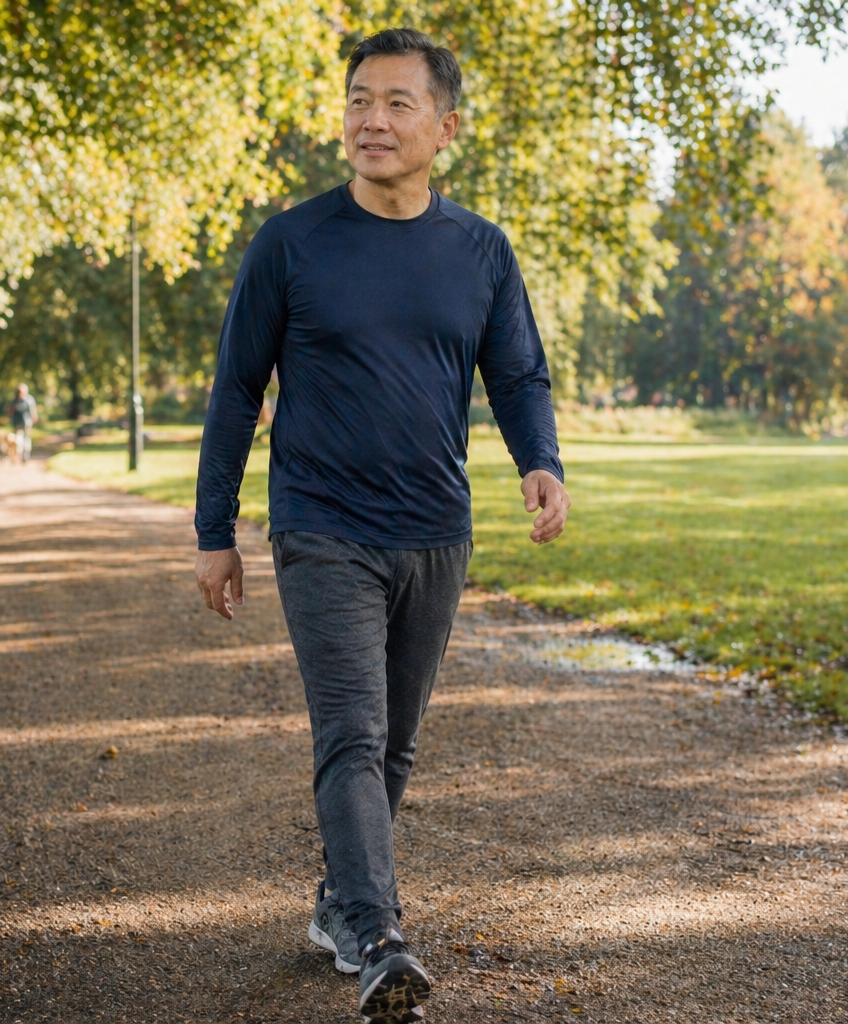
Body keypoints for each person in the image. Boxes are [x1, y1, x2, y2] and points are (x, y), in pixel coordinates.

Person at [193, 27, 570, 1024]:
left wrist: (540, 460)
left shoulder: (481, 250)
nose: (373, 118)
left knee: (393, 743)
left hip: (435, 529)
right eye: (360, 98)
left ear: (445, 126)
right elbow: (236, 391)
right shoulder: (292, 242)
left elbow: (517, 374)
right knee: (351, 732)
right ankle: (375, 932)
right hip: (322, 526)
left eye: (399, 103)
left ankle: (335, 905)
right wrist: (213, 527)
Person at [10, 383, 37, 462]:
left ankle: (26, 455)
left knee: (26, 439)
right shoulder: (15, 401)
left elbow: (33, 410)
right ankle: (20, 454)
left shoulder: (29, 399)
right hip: (17, 422)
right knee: (18, 439)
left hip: (27, 422)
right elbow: (11, 411)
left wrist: (34, 418)